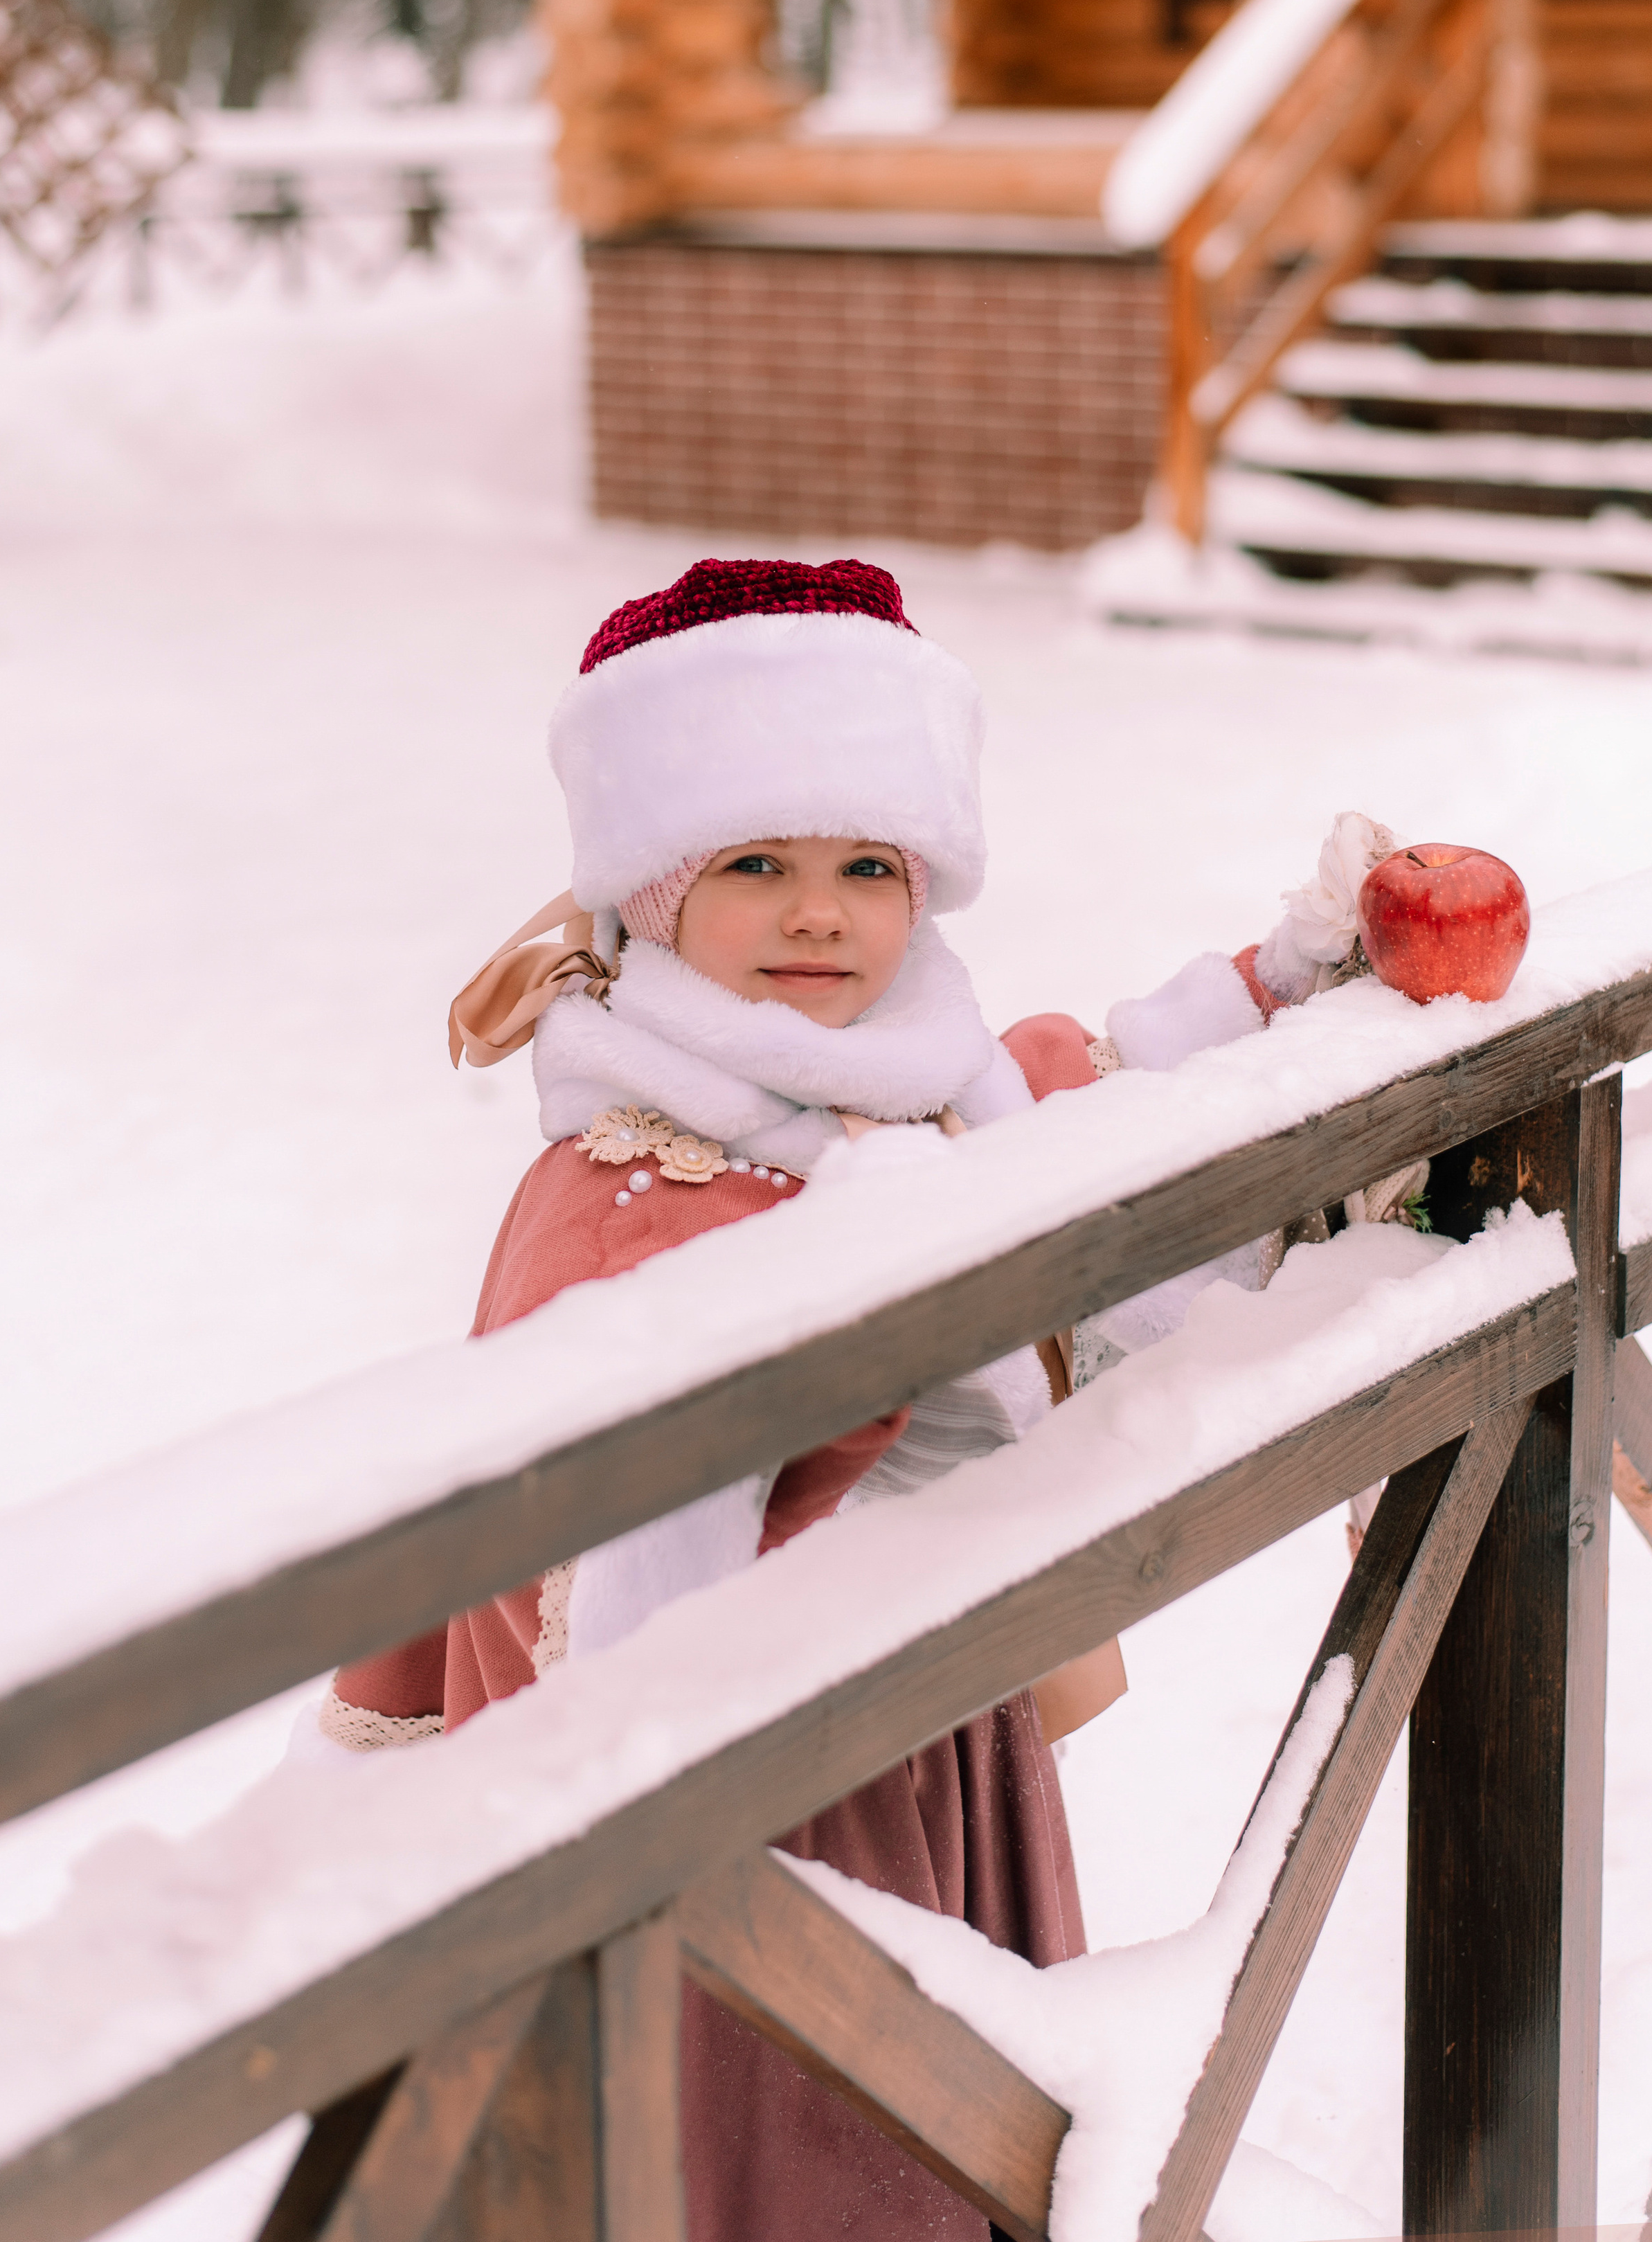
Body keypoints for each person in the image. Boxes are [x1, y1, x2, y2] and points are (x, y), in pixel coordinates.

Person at [322, 554, 1331, 2241]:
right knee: (799, 2163)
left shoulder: (924, 1092)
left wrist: (1278, 994)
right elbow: (599, 1596)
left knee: (953, 2123)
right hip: (756, 1817)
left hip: (928, 1728)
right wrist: (858, 1385)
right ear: (654, 897)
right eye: (757, 867)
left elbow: (1073, 1123)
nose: (821, 915)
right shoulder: (626, 1188)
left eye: (868, 866)